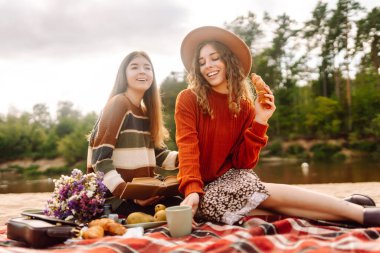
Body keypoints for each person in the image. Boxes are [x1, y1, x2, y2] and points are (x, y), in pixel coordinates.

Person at [175, 26, 379, 226]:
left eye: (214, 57)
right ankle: (354, 212)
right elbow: (187, 147)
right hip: (202, 191)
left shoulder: (245, 106)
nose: (207, 65)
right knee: (253, 202)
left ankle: (349, 211)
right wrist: (192, 190)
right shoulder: (188, 99)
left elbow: (243, 162)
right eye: (201, 62)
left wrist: (260, 120)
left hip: (235, 179)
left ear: (228, 60)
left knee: (254, 196)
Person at [87, 51, 182, 217]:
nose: (142, 71)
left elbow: (160, 155)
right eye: (134, 67)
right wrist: (129, 194)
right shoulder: (119, 103)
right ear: (124, 75)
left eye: (147, 68)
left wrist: (191, 156)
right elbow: (100, 159)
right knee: (179, 208)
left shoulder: (145, 112)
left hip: (143, 195)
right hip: (115, 201)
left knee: (187, 200)